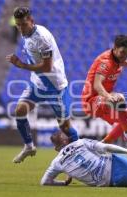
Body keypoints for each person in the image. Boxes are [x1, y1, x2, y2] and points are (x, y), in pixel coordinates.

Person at [5, 7, 78, 163]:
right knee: (20, 110)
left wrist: (21, 65)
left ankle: (80, 155)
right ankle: (29, 146)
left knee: (66, 128)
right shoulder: (26, 34)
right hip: (38, 84)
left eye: (23, 24)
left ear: (32, 21)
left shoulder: (42, 38)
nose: (20, 28)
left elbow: (47, 67)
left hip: (55, 87)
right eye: (18, 25)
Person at [81, 35, 127, 145]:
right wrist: (108, 96)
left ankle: (104, 144)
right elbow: (97, 85)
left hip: (104, 100)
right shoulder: (106, 62)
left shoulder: (117, 58)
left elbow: (121, 61)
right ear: (115, 48)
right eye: (123, 52)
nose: (125, 56)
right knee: (120, 98)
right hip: (91, 101)